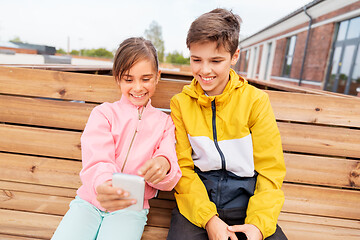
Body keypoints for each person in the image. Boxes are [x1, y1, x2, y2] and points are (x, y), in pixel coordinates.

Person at [167, 8, 287, 240]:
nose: (204, 70)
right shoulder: (180, 104)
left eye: (216, 60)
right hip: (198, 200)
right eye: (196, 60)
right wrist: (209, 220)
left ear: (235, 56)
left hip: (246, 201)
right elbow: (182, 170)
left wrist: (258, 226)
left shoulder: (255, 101)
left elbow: (271, 172)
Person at [52, 37, 181, 240]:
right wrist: (103, 184)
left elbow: (170, 165)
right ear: (118, 79)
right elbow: (98, 158)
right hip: (89, 202)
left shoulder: (165, 124)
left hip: (131, 208)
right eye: (129, 79)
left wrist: (163, 165)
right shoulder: (103, 114)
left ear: (157, 77)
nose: (138, 87)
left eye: (145, 79)